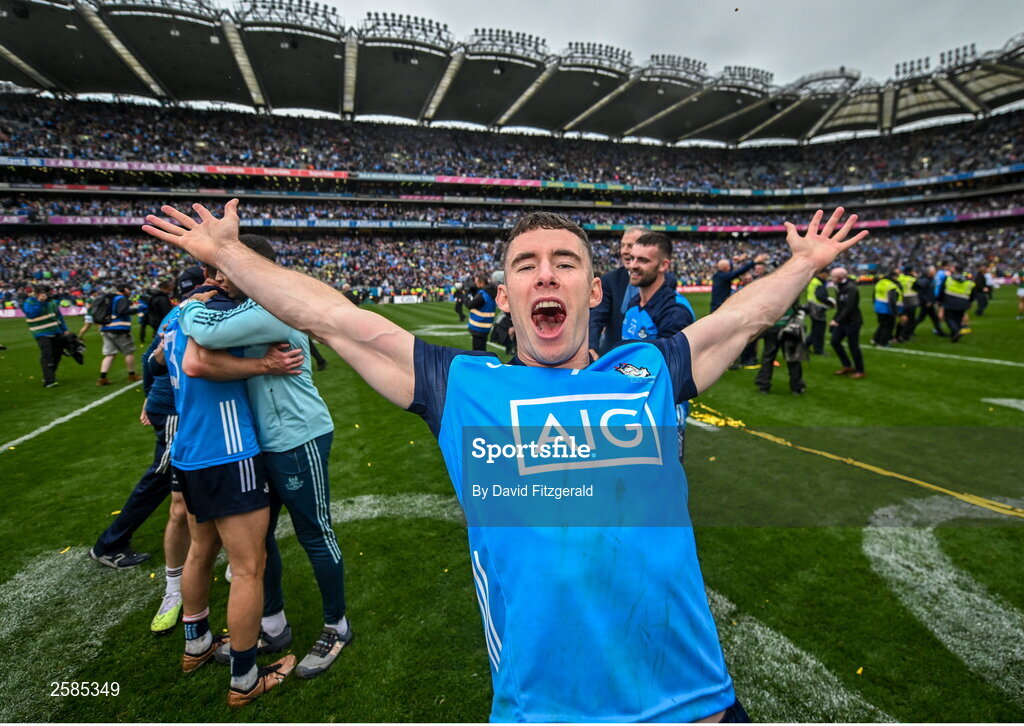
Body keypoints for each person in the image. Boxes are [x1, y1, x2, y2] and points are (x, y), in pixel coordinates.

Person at [145, 200, 866, 723]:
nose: (545, 276)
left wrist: (803, 263)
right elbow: (331, 317)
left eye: (565, 264)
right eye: (526, 265)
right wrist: (231, 256)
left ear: (592, 291)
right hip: (542, 711)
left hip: (695, 704)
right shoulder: (462, 385)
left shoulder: (648, 370)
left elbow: (744, 318)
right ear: (505, 298)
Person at [177, 233, 351, 680]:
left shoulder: (272, 307)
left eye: (226, 269)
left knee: (315, 532)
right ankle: (273, 625)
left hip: (298, 437)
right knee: (258, 540)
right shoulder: (246, 305)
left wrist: (190, 303)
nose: (218, 279)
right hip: (262, 441)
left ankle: (337, 626)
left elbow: (206, 331)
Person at [158, 257, 295, 706]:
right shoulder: (218, 311)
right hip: (227, 448)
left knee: (201, 550)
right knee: (248, 568)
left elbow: (159, 359)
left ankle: (196, 644)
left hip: (189, 449)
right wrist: (265, 366)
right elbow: (198, 364)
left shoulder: (180, 311)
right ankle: (244, 677)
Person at [619, 232, 695, 458]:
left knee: (664, 479)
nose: (633, 265)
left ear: (664, 265)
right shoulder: (633, 304)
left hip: (663, 411)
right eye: (632, 258)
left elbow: (671, 372)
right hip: (633, 405)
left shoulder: (675, 311)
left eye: (643, 260)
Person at [587, 225, 649, 354]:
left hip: (648, 356)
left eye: (630, 246)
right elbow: (597, 317)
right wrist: (592, 347)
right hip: (614, 354)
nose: (624, 251)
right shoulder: (610, 280)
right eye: (622, 245)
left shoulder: (664, 281)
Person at [755, 299, 808, 395]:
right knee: (792, 358)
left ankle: (764, 385)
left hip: (773, 326)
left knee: (768, 357)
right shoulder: (791, 289)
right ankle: (796, 387)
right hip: (788, 326)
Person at [22, 284, 71, 388]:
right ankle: (49, 380)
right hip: (41, 333)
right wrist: (40, 302)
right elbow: (31, 314)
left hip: (56, 331)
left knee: (57, 355)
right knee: (47, 356)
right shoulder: (29, 302)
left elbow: (59, 316)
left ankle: (49, 375)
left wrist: (65, 329)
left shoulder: (52, 302)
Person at [97, 281, 142, 386]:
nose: (130, 291)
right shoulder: (121, 299)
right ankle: (132, 374)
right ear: (124, 289)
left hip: (106, 328)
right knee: (129, 352)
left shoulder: (110, 298)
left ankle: (102, 378)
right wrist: (136, 309)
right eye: (128, 289)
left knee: (110, 354)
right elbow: (122, 311)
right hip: (119, 329)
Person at [830, 267, 865, 379]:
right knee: (835, 342)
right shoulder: (840, 287)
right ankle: (847, 365)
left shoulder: (851, 288)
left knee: (853, 345)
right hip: (843, 321)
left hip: (852, 321)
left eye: (833, 277)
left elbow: (849, 307)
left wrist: (837, 320)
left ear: (840, 278)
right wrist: (836, 318)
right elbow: (841, 307)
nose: (831, 278)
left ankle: (860, 370)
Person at [937, 264, 976, 342]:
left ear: (954, 269)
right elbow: (972, 293)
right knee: (958, 318)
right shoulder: (968, 281)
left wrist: (939, 300)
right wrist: (970, 302)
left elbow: (942, 290)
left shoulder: (948, 279)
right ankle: (954, 335)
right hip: (963, 302)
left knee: (948, 318)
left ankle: (955, 331)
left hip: (950, 301)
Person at [466, 272, 497, 351]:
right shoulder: (492, 292)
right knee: (482, 350)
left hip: (478, 326)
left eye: (477, 283)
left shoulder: (483, 294)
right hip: (486, 326)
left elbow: (469, 305)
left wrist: (465, 296)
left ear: (482, 283)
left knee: (477, 351)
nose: (475, 285)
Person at [870, 269, 901, 347]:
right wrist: (895, 311)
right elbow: (892, 300)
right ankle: (883, 343)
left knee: (882, 325)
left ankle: (876, 339)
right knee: (888, 326)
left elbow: (874, 295)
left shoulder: (879, 282)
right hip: (887, 308)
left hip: (878, 307)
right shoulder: (891, 285)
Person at [804, 268, 831, 354]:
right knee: (819, 331)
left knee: (816, 330)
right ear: (822, 274)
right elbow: (820, 296)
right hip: (817, 309)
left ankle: (805, 345)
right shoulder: (818, 283)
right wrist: (830, 302)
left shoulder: (814, 281)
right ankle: (818, 349)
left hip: (811, 308)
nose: (827, 276)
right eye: (826, 274)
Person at [895, 266, 919, 343]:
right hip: (911, 301)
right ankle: (905, 335)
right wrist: (916, 276)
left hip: (901, 300)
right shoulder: (912, 279)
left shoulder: (900, 278)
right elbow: (918, 287)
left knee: (903, 319)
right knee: (910, 320)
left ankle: (898, 335)